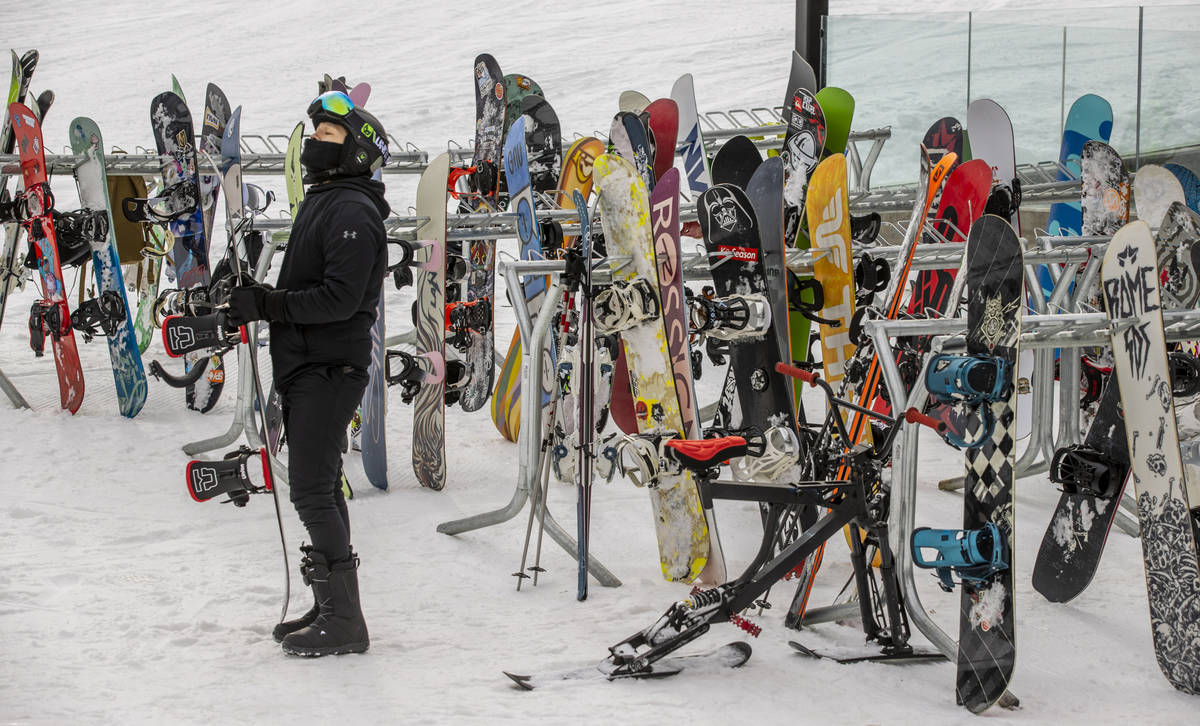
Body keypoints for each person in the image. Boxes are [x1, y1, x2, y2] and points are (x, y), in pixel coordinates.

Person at [226, 90, 391, 657]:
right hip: (309, 365)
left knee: (312, 490)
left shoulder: (351, 210)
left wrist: (269, 306)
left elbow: (340, 300)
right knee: (318, 486)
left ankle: (345, 620)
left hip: (329, 367)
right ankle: (330, 605)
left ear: (357, 152)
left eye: (329, 137)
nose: (316, 144)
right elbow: (312, 288)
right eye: (315, 134)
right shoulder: (329, 200)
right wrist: (263, 297)